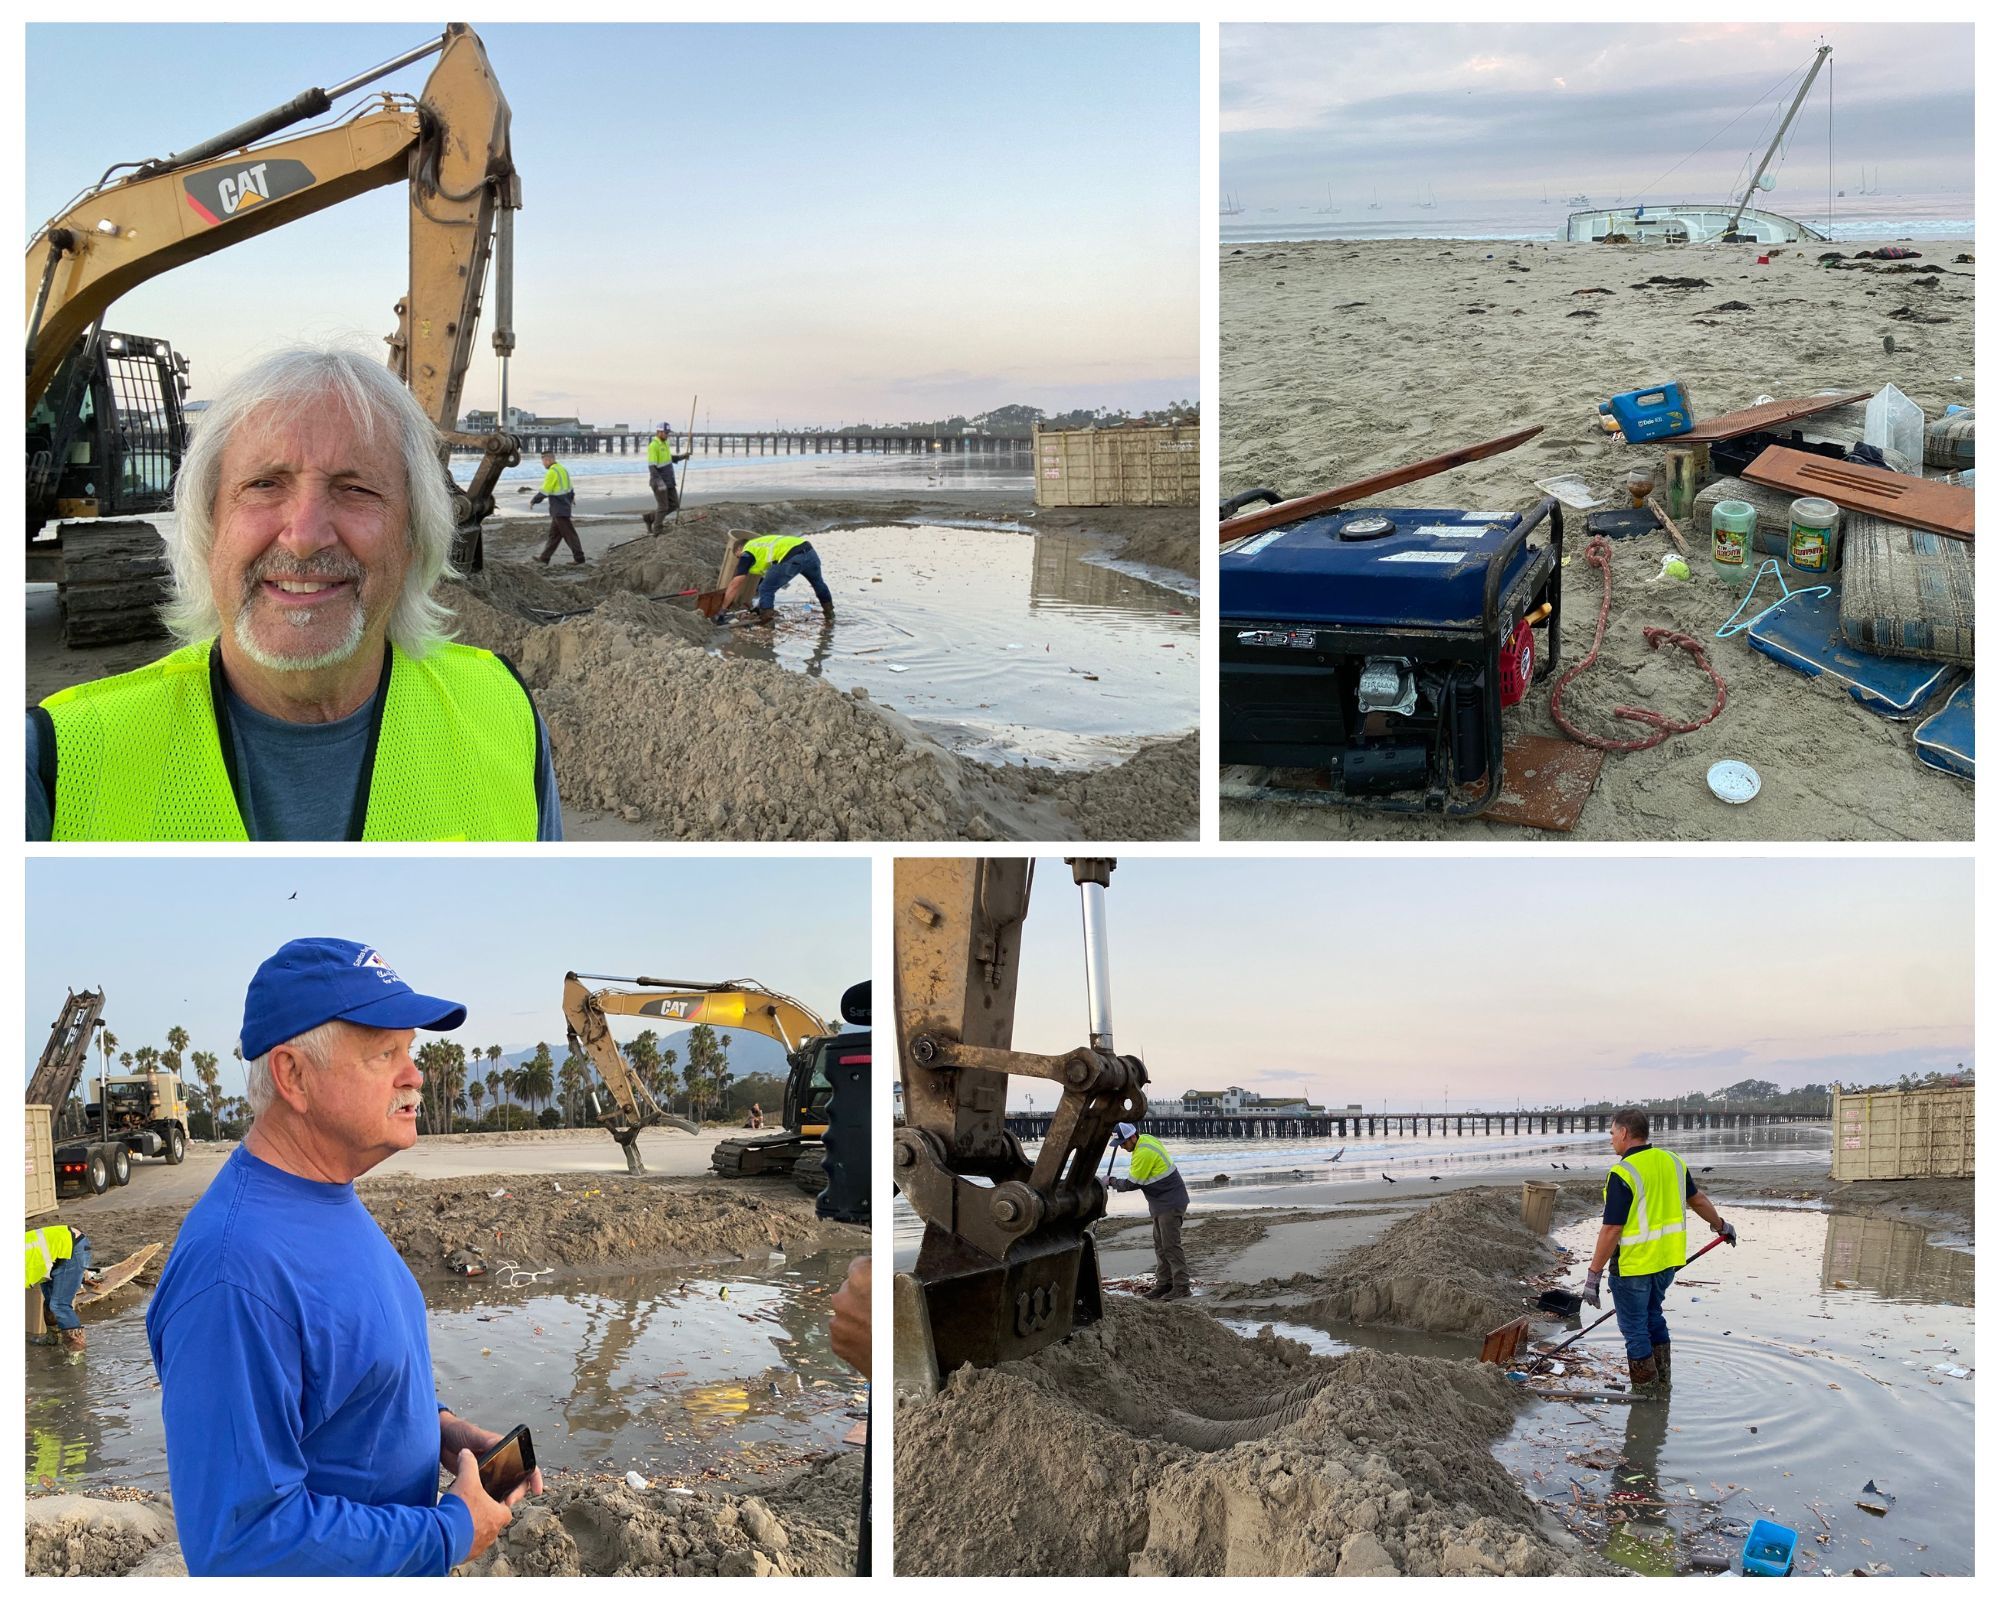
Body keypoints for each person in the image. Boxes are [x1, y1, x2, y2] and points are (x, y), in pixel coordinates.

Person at [27, 347, 561, 841]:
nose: (304, 536)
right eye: (264, 485)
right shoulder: (52, 762)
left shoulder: (504, 711)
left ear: (415, 537)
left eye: (357, 489)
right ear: (207, 527)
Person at [145, 937, 544, 1574]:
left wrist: (441, 1431)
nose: (415, 1074)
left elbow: (344, 1373)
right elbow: (239, 1545)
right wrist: (447, 1534)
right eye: (385, 1052)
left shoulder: (330, 1193)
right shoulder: (234, 1272)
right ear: (292, 1076)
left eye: (410, 1050)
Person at [1581, 1108, 1736, 1394]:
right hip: (1666, 1264)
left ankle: (1646, 1393)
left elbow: (1611, 1229)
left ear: (1625, 1133)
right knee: (1653, 1317)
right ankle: (1663, 1382)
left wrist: (1593, 1275)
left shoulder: (1622, 1172)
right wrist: (1721, 1225)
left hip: (1634, 1267)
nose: (1611, 1140)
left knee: (1635, 1329)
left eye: (1613, 1133)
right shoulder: (1672, 1161)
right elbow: (1697, 1199)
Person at [1106, 1121, 1190, 1300]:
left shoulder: (1143, 1153)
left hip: (1170, 1202)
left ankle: (1182, 1287)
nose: (1121, 1147)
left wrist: (1111, 1181)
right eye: (1119, 1144)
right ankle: (1164, 1284)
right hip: (1161, 1202)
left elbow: (1131, 1184)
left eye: (1123, 1143)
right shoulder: (1146, 1140)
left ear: (1133, 1137)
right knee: (1161, 1246)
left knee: (1170, 1245)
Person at [719, 531, 835, 623]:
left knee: (766, 588)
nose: (739, 560)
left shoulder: (747, 551)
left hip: (791, 557)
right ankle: (829, 613)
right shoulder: (761, 543)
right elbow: (771, 575)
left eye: (737, 557)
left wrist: (723, 609)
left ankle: (766, 620)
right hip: (809, 552)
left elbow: (736, 583)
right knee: (818, 583)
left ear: (739, 549)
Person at [26, 1224, 94, 1353]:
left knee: (59, 1305)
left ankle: (77, 1354)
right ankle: (54, 1338)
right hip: (53, 1254)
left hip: (72, 1248)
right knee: (50, 1299)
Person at [529, 451, 584, 566]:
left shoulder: (552, 472)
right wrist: (572, 497)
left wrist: (534, 500)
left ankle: (579, 558)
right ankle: (544, 558)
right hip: (564, 505)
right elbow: (570, 487)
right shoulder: (562, 469)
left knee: (569, 534)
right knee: (554, 535)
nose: (543, 464)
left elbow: (545, 490)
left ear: (548, 460)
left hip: (558, 507)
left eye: (543, 461)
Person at [642, 425, 689, 530]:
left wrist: (682, 457)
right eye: (666, 433)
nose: (667, 435)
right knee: (663, 506)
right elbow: (652, 466)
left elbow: (668, 458)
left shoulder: (665, 443)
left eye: (668, 433)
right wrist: (659, 482)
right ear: (659, 432)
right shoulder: (653, 446)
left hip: (669, 480)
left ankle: (650, 517)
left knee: (674, 504)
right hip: (659, 481)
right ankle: (657, 529)